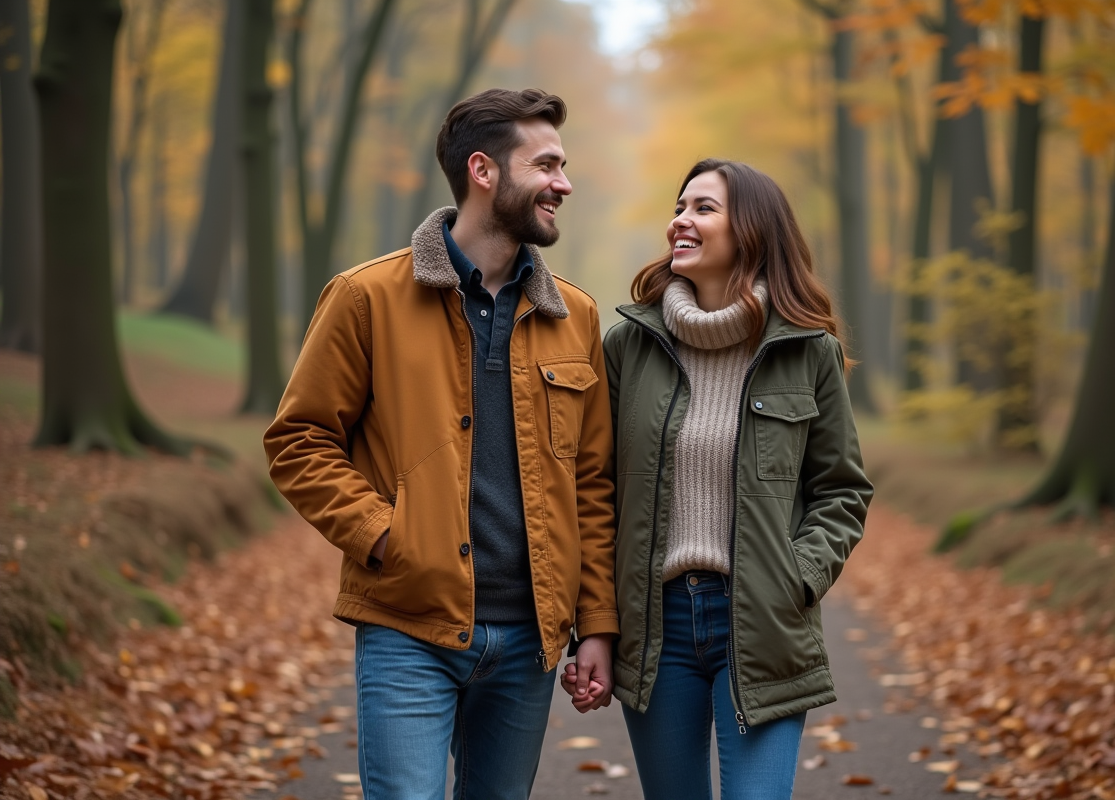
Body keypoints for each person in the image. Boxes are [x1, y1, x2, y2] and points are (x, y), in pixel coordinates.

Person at [264, 88, 619, 800]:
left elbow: (592, 482)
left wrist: (597, 626)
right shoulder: (366, 297)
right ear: (484, 172)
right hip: (407, 628)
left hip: (529, 643)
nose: (564, 183)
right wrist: (384, 536)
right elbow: (298, 440)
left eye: (564, 165)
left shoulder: (574, 315)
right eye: (546, 164)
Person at [562, 158, 873, 799]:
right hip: (656, 627)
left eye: (703, 208)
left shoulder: (806, 349)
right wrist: (593, 621)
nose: (681, 220)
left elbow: (842, 490)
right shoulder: (628, 347)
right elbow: (594, 490)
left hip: (761, 622)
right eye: (679, 207)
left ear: (752, 231)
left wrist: (798, 574)